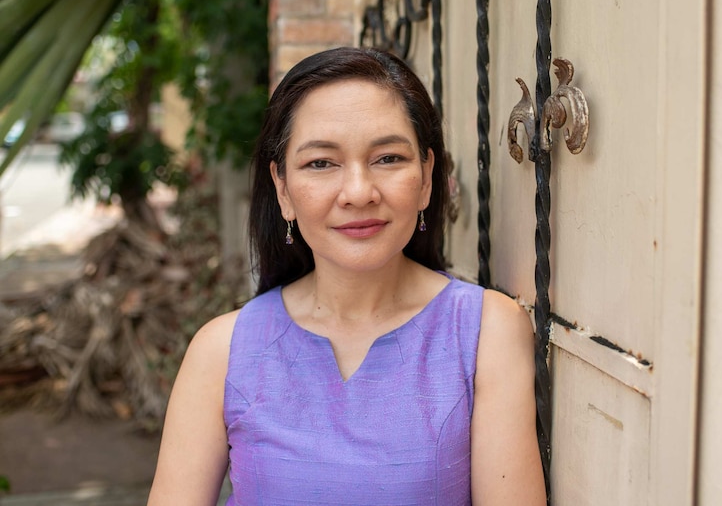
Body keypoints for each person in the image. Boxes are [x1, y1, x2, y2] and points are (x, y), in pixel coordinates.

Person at [147, 47, 545, 505]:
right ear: (283, 189)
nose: (358, 192)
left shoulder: (485, 331)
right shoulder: (221, 351)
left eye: (388, 158)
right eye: (321, 163)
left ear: (427, 177)